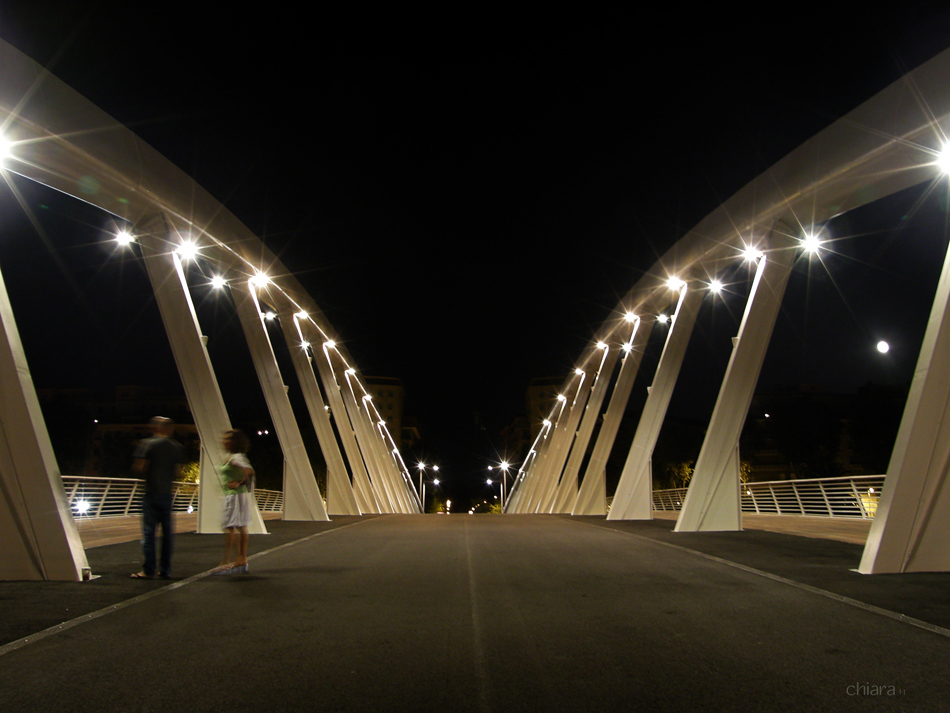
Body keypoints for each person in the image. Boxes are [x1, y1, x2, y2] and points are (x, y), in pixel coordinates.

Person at [130, 417, 184, 579]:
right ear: (170, 429)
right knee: (167, 535)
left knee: (149, 533)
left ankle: (148, 570)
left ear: (155, 427)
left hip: (151, 493)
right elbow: (178, 472)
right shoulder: (177, 447)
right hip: (167, 494)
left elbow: (140, 467)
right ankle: (165, 570)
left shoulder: (147, 444)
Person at [213, 429, 254, 575]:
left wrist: (238, 482)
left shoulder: (235, 457)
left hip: (235, 496)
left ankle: (227, 561)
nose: (225, 441)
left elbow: (249, 471)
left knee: (230, 527)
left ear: (235, 442)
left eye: (228, 439)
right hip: (239, 495)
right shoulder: (235, 456)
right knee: (240, 526)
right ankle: (241, 559)